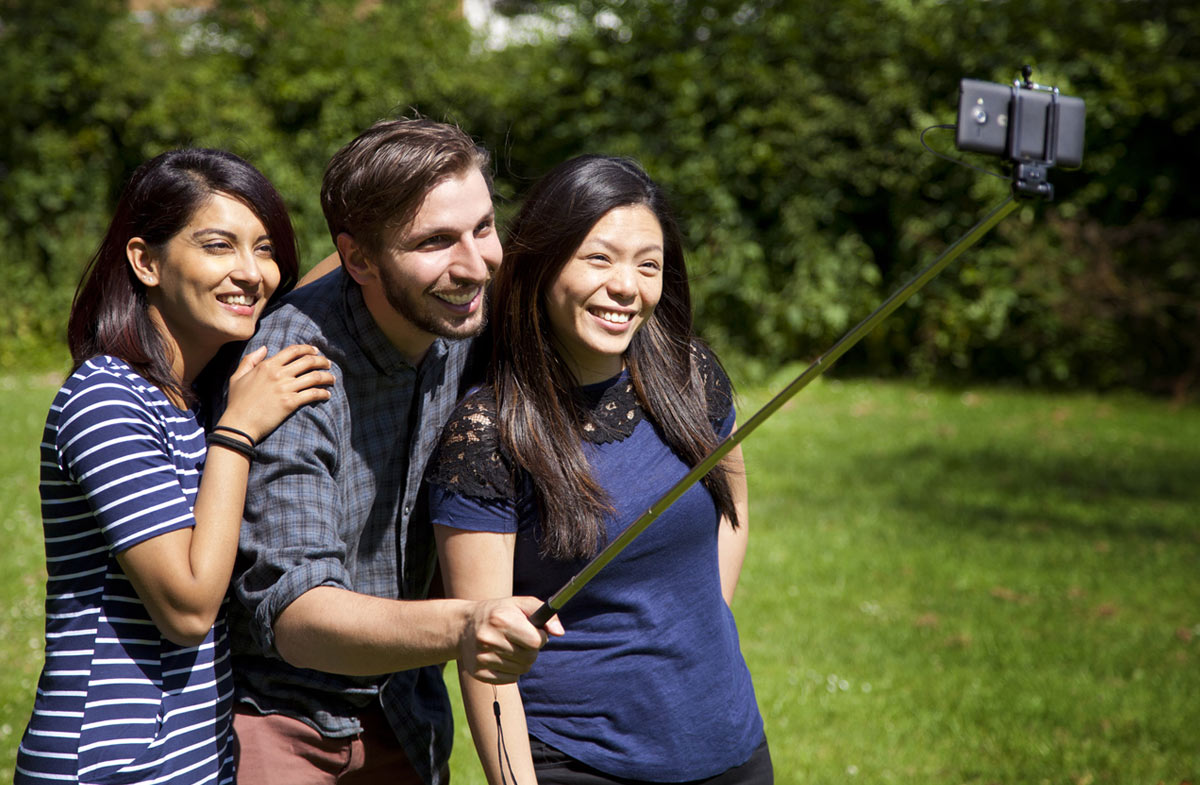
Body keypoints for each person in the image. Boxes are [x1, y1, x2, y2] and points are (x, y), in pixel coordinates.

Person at [227, 118, 562, 785]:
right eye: (436, 241)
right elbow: (298, 615)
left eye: (484, 227)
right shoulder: (296, 367)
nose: (474, 265)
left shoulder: (458, 304)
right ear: (359, 261)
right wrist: (469, 624)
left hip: (406, 709)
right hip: (284, 713)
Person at [427, 155, 773, 784]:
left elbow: (734, 507)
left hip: (731, 745)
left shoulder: (690, 375)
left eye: (649, 265)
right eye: (599, 258)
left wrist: (698, 625)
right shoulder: (487, 431)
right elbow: (486, 655)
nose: (627, 287)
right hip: (580, 759)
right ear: (543, 262)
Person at [14, 148, 334, 784]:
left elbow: (331, 284)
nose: (252, 273)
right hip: (110, 766)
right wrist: (239, 431)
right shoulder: (106, 399)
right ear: (146, 261)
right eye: (219, 246)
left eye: (265, 249)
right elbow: (186, 609)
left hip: (194, 761)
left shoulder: (191, 396)